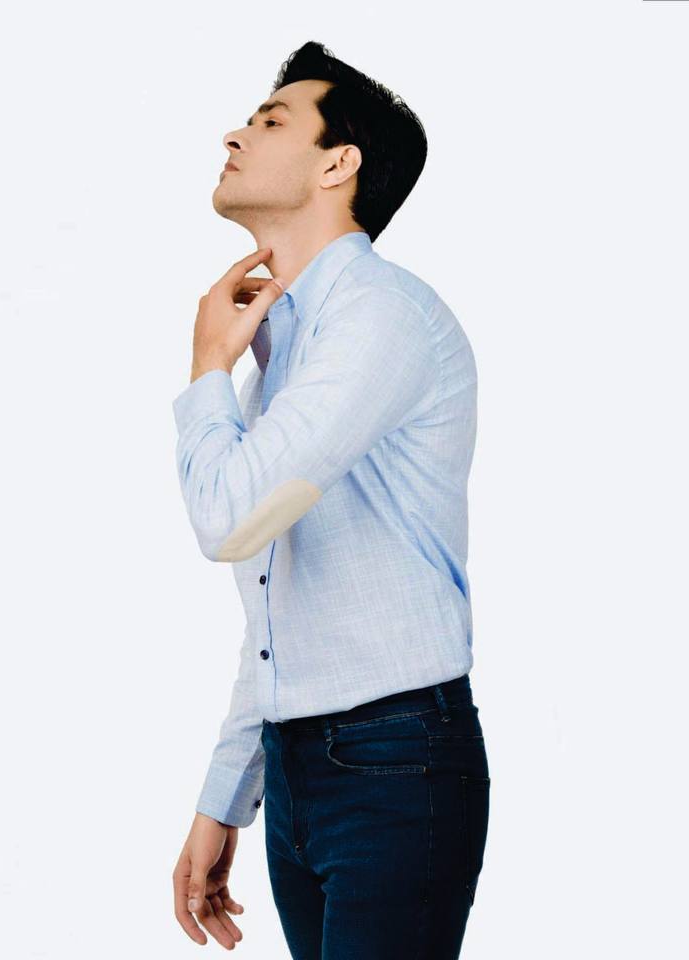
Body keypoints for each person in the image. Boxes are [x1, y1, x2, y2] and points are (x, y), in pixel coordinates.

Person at [170, 40, 489, 958]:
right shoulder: (288, 345)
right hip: (301, 766)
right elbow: (283, 601)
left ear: (336, 164)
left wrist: (207, 366)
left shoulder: (378, 318)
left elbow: (228, 521)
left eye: (271, 121)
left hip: (394, 761)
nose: (235, 134)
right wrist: (227, 795)